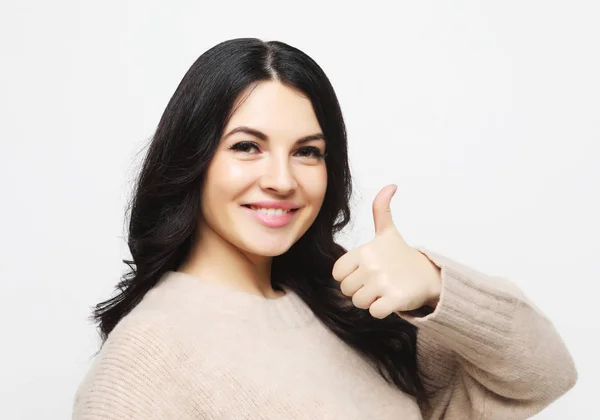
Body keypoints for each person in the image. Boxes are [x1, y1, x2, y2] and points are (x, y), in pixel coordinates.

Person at [72, 38, 577, 419]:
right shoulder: (142, 365)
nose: (281, 180)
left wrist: (435, 285)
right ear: (194, 158)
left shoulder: (347, 311)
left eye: (306, 152)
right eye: (247, 146)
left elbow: (544, 376)